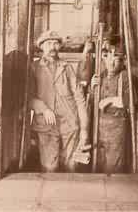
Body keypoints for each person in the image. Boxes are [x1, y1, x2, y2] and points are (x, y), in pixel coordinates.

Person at [29, 30, 89, 172]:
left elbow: (80, 99)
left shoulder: (67, 68)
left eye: (55, 43)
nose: (52, 47)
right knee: (50, 167)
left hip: (70, 124)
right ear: (42, 47)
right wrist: (43, 109)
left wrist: (84, 129)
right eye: (48, 43)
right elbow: (27, 97)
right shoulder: (34, 68)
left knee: (72, 166)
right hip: (46, 124)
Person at [90, 47, 131, 173]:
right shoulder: (100, 75)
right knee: (100, 158)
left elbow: (130, 101)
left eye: (115, 59)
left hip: (116, 124)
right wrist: (92, 87)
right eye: (107, 58)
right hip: (100, 124)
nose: (111, 63)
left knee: (114, 163)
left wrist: (110, 100)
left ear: (123, 61)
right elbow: (92, 101)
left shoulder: (125, 76)